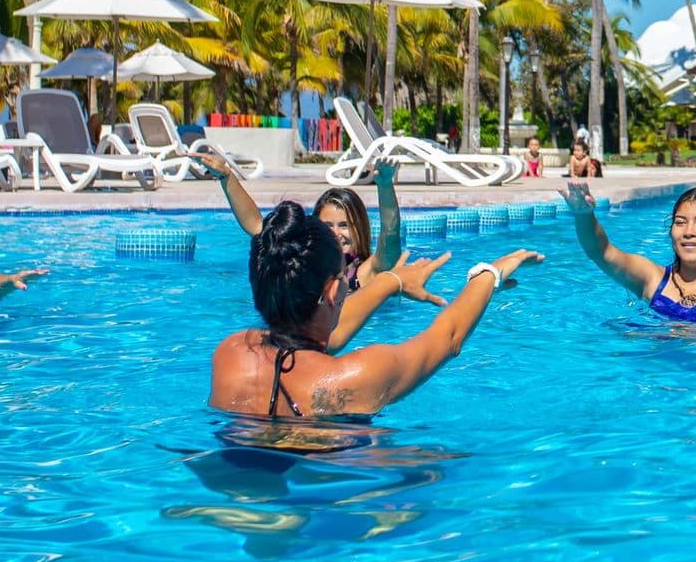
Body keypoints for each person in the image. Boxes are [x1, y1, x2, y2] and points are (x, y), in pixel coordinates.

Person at [207, 200, 542, 419]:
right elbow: (449, 337)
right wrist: (490, 272)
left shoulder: (231, 353)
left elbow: (313, 338)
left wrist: (390, 281)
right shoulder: (361, 375)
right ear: (336, 289)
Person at [193, 150, 403, 292]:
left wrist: (384, 186)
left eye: (345, 225)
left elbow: (390, 234)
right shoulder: (304, 263)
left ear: (361, 229)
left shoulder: (368, 272)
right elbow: (257, 226)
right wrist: (226, 176)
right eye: (328, 226)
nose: (337, 234)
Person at [560, 180, 696, 321]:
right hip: (657, 374)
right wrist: (583, 215)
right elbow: (602, 252)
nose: (688, 232)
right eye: (680, 222)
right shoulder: (653, 278)